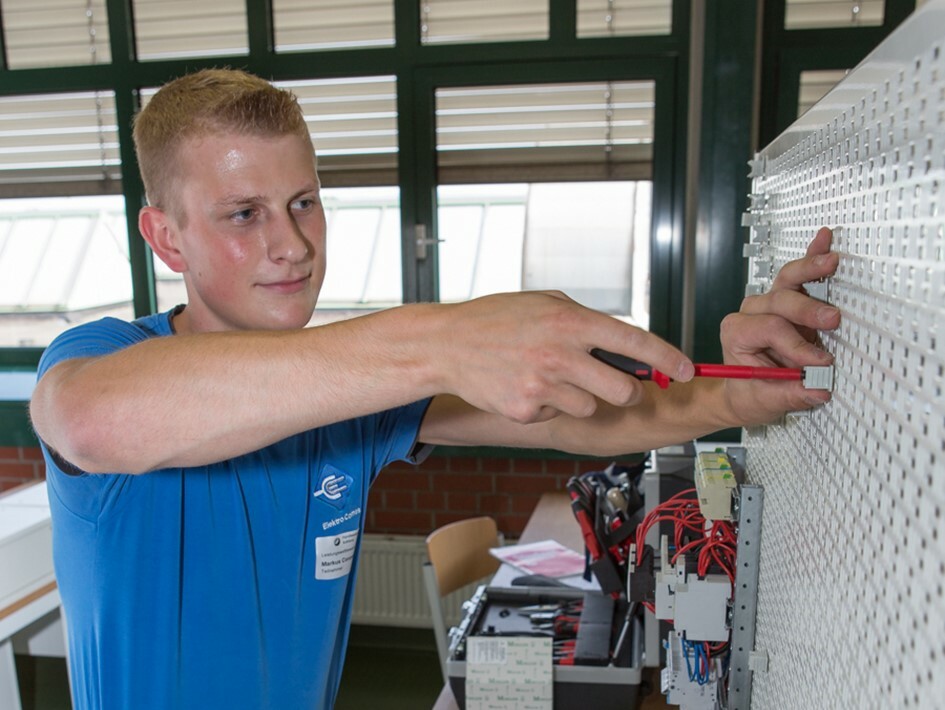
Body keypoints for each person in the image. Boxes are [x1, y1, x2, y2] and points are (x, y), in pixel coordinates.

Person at [29, 68, 840, 710]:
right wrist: (439, 340)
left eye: (303, 202)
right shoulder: (105, 355)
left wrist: (729, 397)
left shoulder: (350, 388)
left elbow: (577, 417)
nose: (293, 244)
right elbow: (94, 420)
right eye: (244, 214)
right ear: (166, 237)